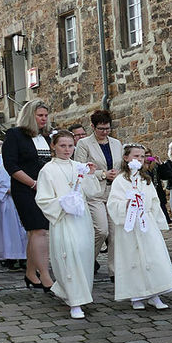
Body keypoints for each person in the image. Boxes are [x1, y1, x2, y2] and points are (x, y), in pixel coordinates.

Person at [35, 130, 100, 319]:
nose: (67, 149)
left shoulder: (79, 166)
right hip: (63, 219)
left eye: (70, 146)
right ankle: (74, 300)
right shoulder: (48, 170)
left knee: (83, 254)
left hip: (81, 218)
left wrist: (90, 175)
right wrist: (62, 203)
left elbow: (92, 192)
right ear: (53, 146)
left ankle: (80, 292)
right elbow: (43, 198)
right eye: (62, 146)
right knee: (68, 255)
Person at [107, 144, 172, 310]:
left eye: (142, 156)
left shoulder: (146, 180)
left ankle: (154, 293)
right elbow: (113, 203)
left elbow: (153, 201)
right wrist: (127, 204)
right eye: (135, 156)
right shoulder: (120, 181)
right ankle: (136, 295)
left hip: (146, 223)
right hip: (129, 225)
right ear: (126, 158)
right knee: (133, 259)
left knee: (152, 257)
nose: (139, 159)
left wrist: (159, 222)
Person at [1, 99, 54, 290]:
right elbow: (11, 165)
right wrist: (32, 184)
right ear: (30, 115)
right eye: (40, 115)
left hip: (46, 190)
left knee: (35, 233)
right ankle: (46, 275)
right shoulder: (15, 135)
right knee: (39, 230)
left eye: (45, 116)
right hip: (24, 189)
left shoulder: (47, 138)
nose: (43, 119)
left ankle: (31, 274)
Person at [75, 110, 122, 277]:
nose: (105, 132)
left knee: (116, 233)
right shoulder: (84, 144)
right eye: (101, 129)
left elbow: (121, 165)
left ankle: (114, 271)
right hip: (94, 193)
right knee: (102, 230)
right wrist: (102, 174)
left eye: (108, 128)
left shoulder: (117, 144)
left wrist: (118, 174)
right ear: (93, 127)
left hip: (113, 192)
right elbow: (79, 169)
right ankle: (87, 262)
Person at [0, 140, 27, 270]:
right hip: (7, 204)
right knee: (10, 233)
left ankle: (25, 258)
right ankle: (11, 257)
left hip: (21, 200)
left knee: (24, 232)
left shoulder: (21, 164)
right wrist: (7, 191)